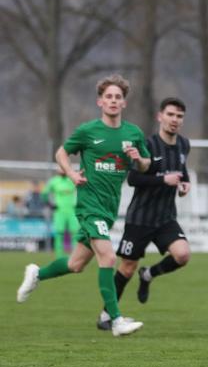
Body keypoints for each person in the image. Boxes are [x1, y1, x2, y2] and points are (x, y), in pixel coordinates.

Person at [17, 75, 150, 337]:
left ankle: (37, 273)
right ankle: (115, 320)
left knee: (76, 264)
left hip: (109, 208)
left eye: (118, 97)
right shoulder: (88, 131)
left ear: (124, 103)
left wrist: (139, 159)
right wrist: (71, 174)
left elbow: (146, 164)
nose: (113, 101)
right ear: (100, 102)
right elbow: (60, 153)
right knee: (109, 257)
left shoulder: (133, 133)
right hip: (90, 206)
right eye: (108, 97)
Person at [95, 97, 193, 329]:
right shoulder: (147, 145)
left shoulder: (184, 145)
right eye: (170, 114)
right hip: (140, 218)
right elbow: (134, 178)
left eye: (179, 116)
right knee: (127, 267)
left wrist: (184, 184)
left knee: (183, 255)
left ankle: (148, 274)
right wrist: (163, 179)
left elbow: (182, 171)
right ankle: (106, 316)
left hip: (166, 217)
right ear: (160, 116)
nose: (175, 120)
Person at [42, 170, 79, 257]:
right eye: (60, 168)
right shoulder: (54, 181)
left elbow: (83, 190)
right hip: (59, 211)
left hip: (72, 210)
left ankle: (76, 256)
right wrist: (49, 204)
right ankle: (59, 256)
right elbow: (44, 193)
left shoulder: (72, 180)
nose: (62, 170)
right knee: (59, 233)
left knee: (75, 233)